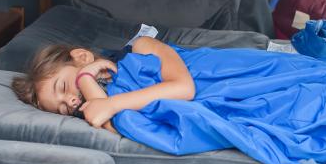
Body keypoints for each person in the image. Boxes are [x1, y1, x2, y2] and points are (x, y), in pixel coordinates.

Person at [11, 37, 195, 133]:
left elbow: (184, 88)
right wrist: (87, 83)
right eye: (64, 109)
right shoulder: (100, 106)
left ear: (82, 58)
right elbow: (114, 127)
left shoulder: (142, 48)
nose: (71, 101)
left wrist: (109, 103)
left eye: (64, 87)